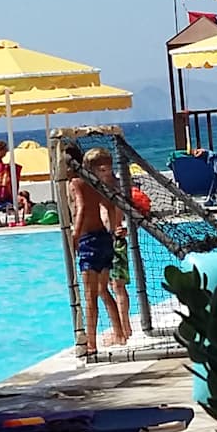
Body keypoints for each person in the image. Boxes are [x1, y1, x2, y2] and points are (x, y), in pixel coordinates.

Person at [69, 147, 132, 354]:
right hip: (104, 239)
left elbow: (81, 208)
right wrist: (113, 230)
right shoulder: (96, 184)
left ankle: (91, 343)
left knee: (90, 297)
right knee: (103, 290)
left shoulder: (76, 183)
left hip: (89, 241)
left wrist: (75, 236)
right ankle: (120, 333)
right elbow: (110, 205)